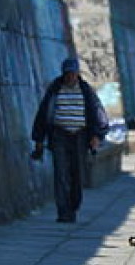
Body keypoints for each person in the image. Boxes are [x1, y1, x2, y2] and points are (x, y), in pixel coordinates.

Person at [31, 57, 109, 223]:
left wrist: (96, 136)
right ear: (63, 73)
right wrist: (39, 139)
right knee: (61, 173)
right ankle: (63, 211)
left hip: (80, 136)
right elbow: (43, 115)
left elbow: (98, 114)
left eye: (73, 74)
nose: (70, 77)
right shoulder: (55, 89)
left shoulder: (86, 91)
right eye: (67, 74)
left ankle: (73, 205)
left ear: (77, 73)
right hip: (59, 135)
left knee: (77, 173)